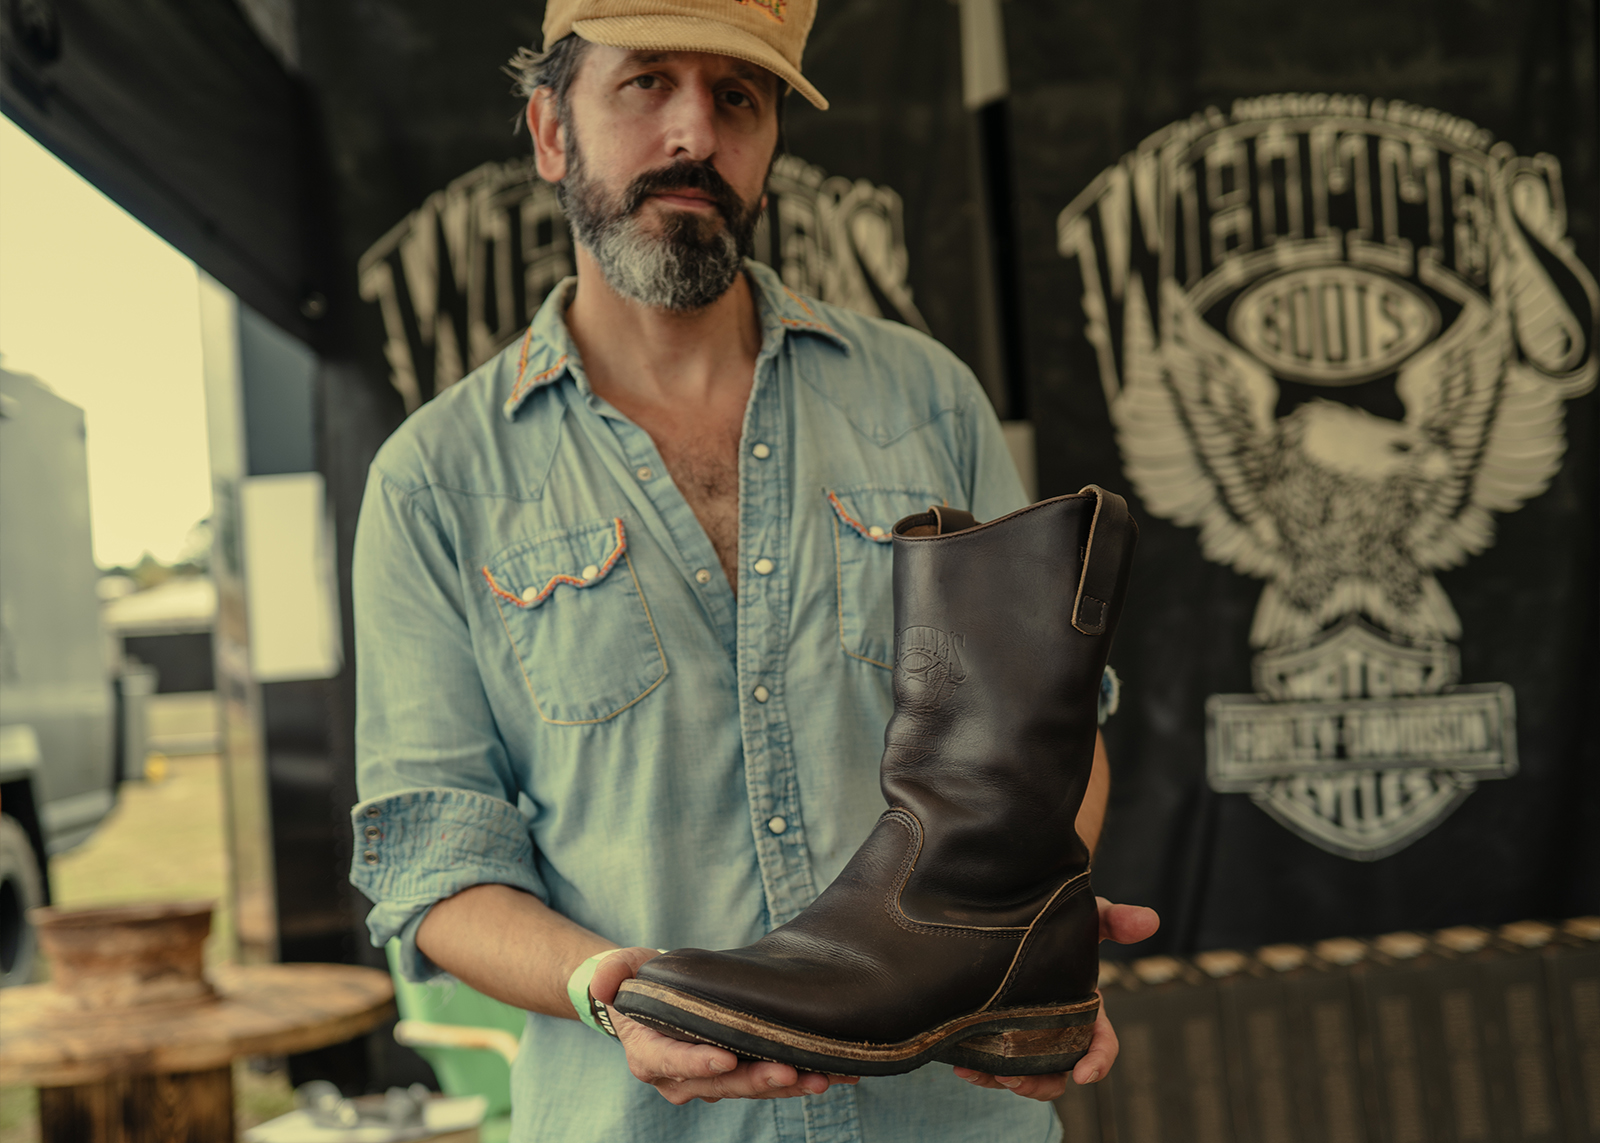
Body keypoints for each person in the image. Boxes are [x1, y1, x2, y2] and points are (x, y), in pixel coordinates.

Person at [349, 0, 1159, 1138]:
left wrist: (1025, 945)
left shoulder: (925, 402)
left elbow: (1048, 745)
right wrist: (614, 989)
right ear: (548, 131)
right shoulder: (435, 480)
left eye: (738, 95)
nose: (695, 134)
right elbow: (437, 866)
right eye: (646, 84)